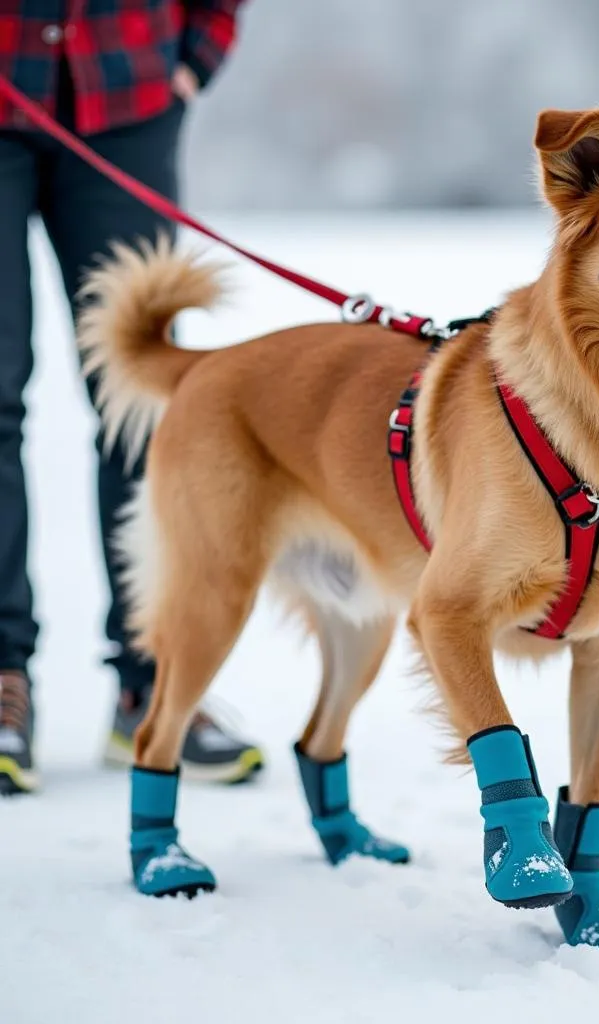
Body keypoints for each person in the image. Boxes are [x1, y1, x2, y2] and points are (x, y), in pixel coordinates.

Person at [0, 1, 263, 795]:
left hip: (129, 92)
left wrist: (196, 58)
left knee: (141, 393)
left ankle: (152, 676)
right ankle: (3, 679)